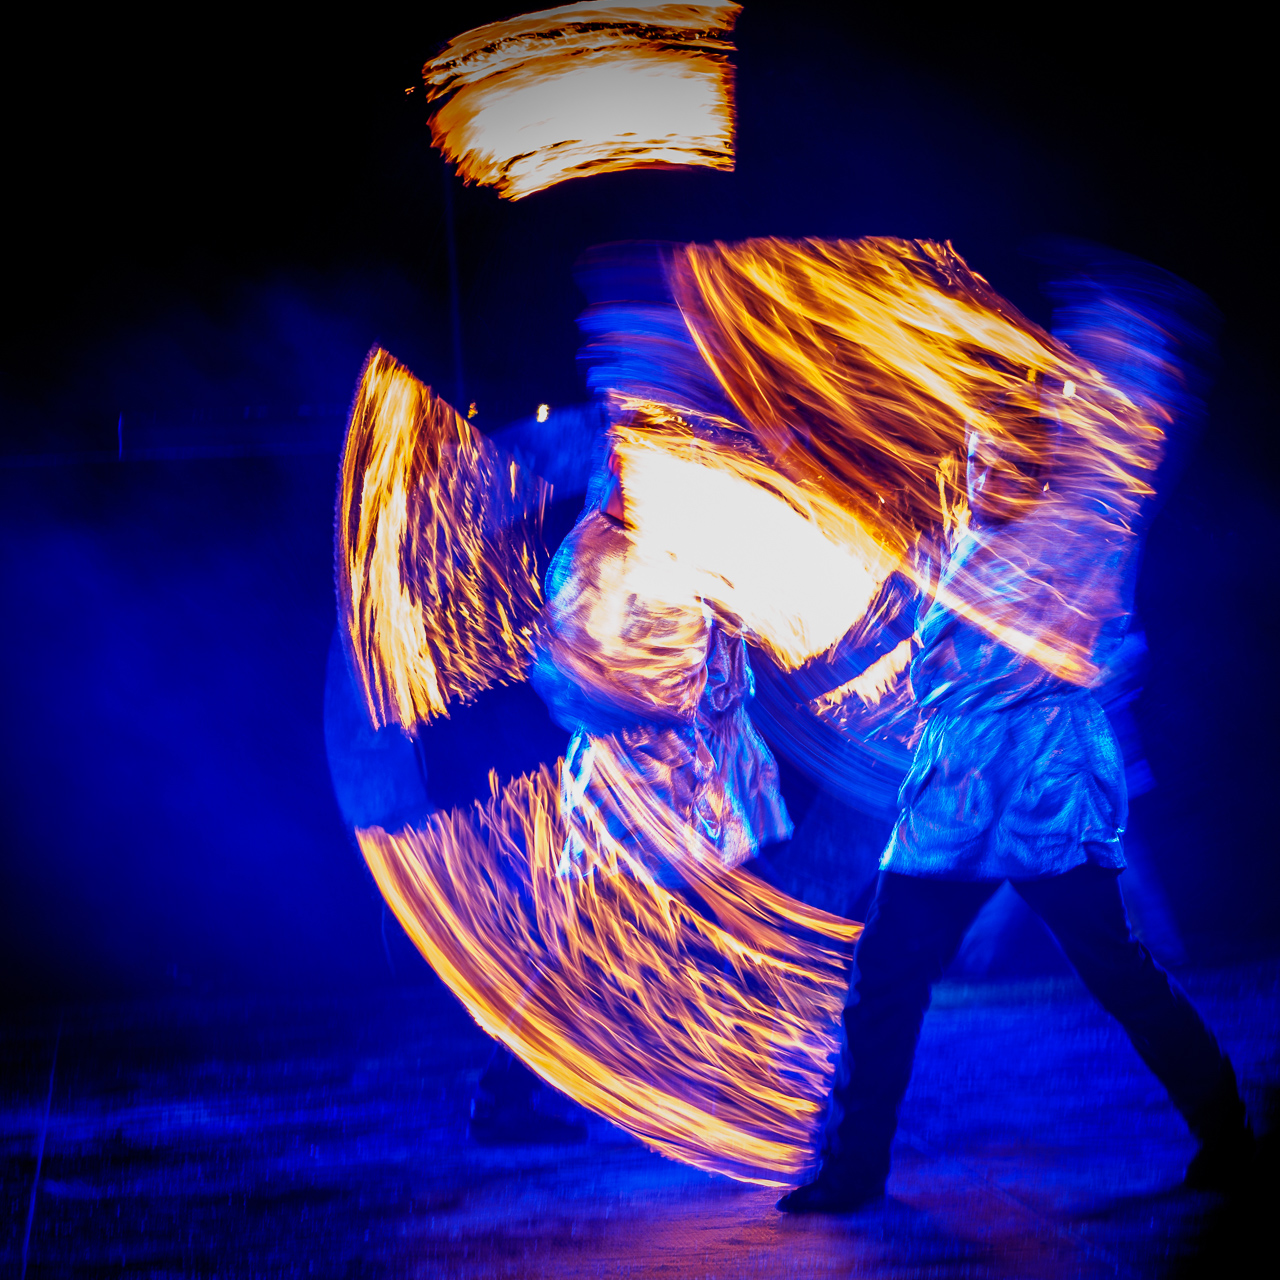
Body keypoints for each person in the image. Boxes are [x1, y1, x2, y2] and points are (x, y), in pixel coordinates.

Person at [778, 416, 1254, 1214]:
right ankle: (853, 1170)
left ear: (1037, 473)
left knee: (1116, 968)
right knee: (885, 973)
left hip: (1043, 788)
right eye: (974, 462)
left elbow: (1099, 609)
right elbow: (906, 637)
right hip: (953, 796)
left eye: (999, 465)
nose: (980, 479)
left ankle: (1229, 1134)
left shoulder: (1075, 540)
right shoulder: (950, 547)